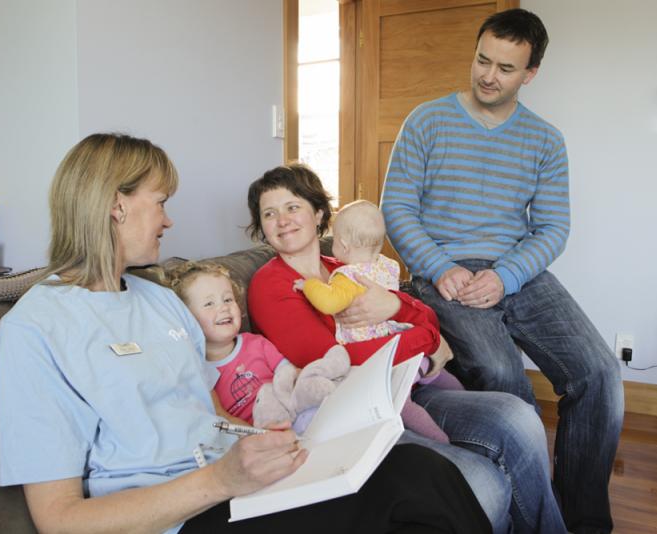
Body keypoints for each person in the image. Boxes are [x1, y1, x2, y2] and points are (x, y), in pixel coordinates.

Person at [0, 133, 493, 534]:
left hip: (237, 482)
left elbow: (207, 413)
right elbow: (58, 519)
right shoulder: (35, 329)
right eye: (161, 202)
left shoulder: (161, 301)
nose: (169, 220)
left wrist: (277, 438)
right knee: (417, 489)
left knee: (420, 473)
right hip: (182, 515)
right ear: (115, 205)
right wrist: (221, 479)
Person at [380, 8, 623, 533]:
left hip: (518, 272)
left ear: (530, 73)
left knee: (600, 373)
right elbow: (397, 207)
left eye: (506, 68)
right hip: (445, 271)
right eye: (482, 60)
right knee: (498, 372)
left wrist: (507, 276)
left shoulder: (545, 140)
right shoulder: (426, 120)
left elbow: (554, 227)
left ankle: (581, 521)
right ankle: (528, 514)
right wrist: (438, 266)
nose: (489, 76)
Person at [246, 162, 567, 534]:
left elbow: (423, 314)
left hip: (406, 388)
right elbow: (337, 360)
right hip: (357, 413)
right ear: (262, 228)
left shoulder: (344, 266)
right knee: (482, 482)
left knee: (518, 416)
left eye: (292, 207)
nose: (282, 220)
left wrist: (396, 307)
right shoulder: (271, 284)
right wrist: (429, 341)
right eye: (269, 213)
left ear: (318, 212)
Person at [295, 199, 464, 443]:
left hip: (388, 358)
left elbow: (328, 303)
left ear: (342, 245)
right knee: (435, 372)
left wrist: (309, 284)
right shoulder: (387, 266)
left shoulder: (347, 276)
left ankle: (441, 440)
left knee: (402, 406)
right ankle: (459, 391)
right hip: (408, 346)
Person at [169, 260, 350, 433]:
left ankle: (333, 371)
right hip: (259, 432)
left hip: (289, 406)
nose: (224, 308)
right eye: (209, 303)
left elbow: (290, 374)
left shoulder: (256, 343)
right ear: (187, 320)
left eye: (228, 299)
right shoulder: (198, 371)